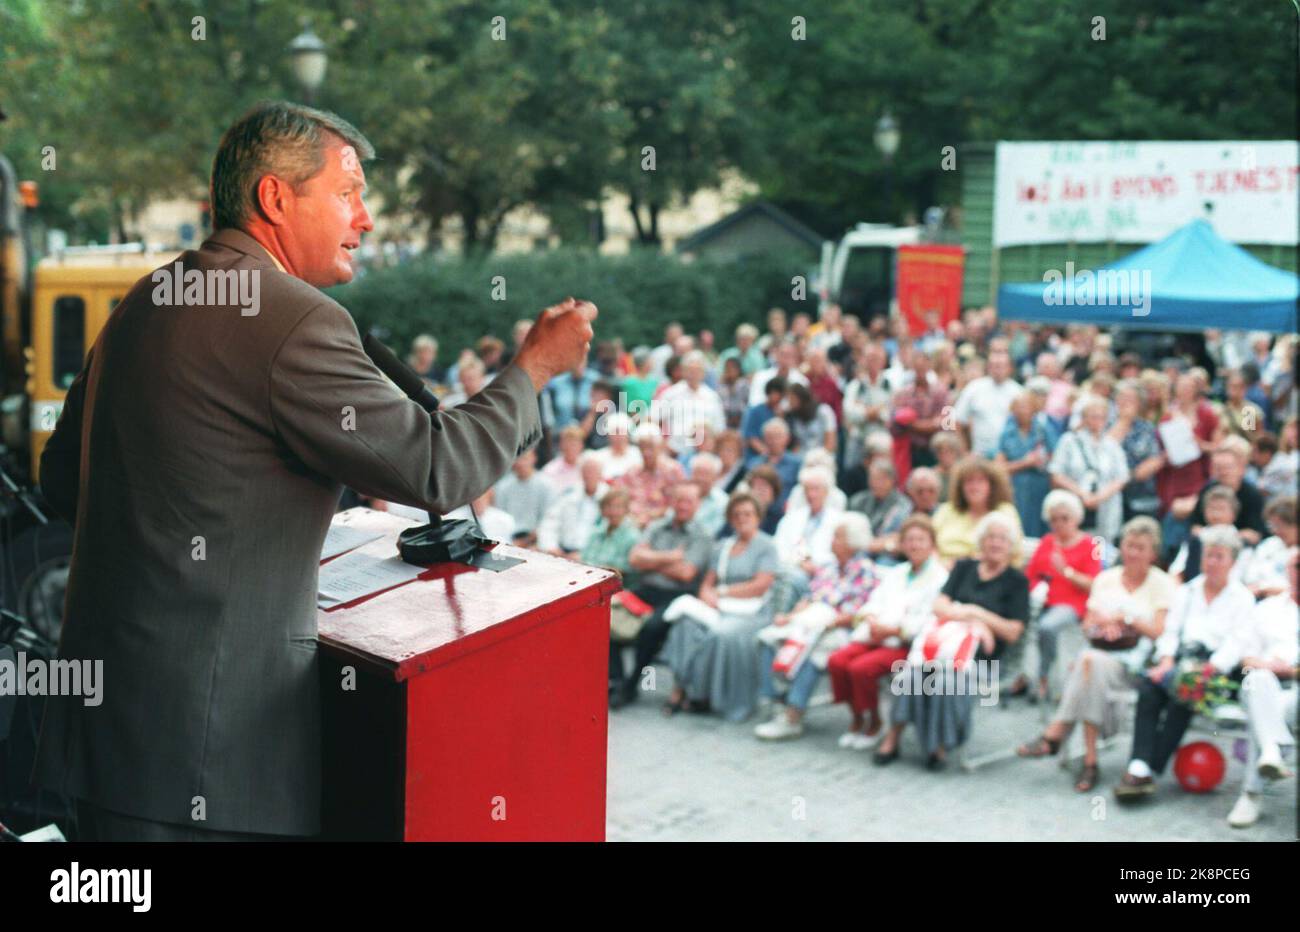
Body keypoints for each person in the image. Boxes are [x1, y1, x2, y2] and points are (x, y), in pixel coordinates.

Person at [35, 101, 593, 842]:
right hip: (213, 763)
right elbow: (438, 468)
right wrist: (533, 369)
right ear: (275, 197)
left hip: (103, 749)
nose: (364, 219)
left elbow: (60, 484)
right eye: (348, 193)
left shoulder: (149, 295)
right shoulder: (293, 318)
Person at [1017, 517, 1174, 792]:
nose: (1133, 553)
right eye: (1129, 546)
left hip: (1138, 660)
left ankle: (1058, 734)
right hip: (1101, 653)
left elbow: (1159, 631)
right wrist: (1105, 625)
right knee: (1090, 666)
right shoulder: (1106, 579)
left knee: (1086, 665)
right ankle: (1088, 759)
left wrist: (1126, 619)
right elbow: (1088, 624)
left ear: (1152, 553)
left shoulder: (1162, 583)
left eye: (1141, 547)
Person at [874, 512, 1029, 769]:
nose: (995, 543)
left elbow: (1012, 632)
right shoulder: (965, 567)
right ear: (981, 541)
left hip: (984, 660)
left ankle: (940, 745)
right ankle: (893, 737)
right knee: (910, 675)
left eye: (1002, 539)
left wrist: (975, 613)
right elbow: (939, 605)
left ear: (1010, 546)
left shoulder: (1016, 582)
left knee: (946, 681)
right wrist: (972, 621)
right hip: (942, 648)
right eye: (990, 537)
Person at [1115, 526, 1255, 802]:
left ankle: (1146, 768)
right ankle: (1141, 765)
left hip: (1216, 671)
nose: (1212, 562)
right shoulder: (1188, 591)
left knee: (1184, 694)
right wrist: (1166, 660)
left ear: (1232, 562)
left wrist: (1207, 670)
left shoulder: (1243, 598)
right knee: (1149, 688)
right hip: (1180, 660)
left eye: (1219, 557)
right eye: (1208, 556)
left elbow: (1237, 643)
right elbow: (1170, 632)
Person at [825, 515, 949, 748]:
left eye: (921, 540)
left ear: (932, 544)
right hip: (875, 634)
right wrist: (871, 618)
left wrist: (893, 630)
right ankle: (857, 717)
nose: (914, 545)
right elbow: (874, 601)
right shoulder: (897, 572)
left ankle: (875, 722)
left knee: (862, 668)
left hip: (904, 643)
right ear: (902, 544)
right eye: (909, 540)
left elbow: (928, 621)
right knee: (837, 661)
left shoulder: (940, 578)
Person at [754, 513, 878, 739]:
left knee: (816, 651)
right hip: (810, 621)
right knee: (768, 637)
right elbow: (810, 598)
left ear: (852, 543)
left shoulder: (865, 570)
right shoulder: (828, 567)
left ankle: (793, 714)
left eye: (838, 537)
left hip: (840, 628)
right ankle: (777, 700)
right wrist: (790, 616)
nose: (832, 540)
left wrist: (832, 621)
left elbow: (862, 611)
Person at [662, 492, 781, 721]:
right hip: (721, 606)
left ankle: (708, 695)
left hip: (752, 611)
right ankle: (682, 687)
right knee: (685, 624)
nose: (742, 519)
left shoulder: (766, 546)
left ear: (758, 517)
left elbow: (761, 584)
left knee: (720, 634)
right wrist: (708, 595)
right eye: (736, 515)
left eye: (747, 514)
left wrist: (723, 592)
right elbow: (708, 582)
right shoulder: (724, 546)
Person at [611, 483, 714, 706]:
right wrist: (671, 557)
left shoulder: (702, 536)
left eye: (689, 501)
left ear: (697, 505)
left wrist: (651, 561)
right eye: (679, 500)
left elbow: (686, 573)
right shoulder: (658, 527)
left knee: (651, 628)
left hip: (676, 595)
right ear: (671, 501)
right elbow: (635, 559)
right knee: (607, 615)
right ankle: (616, 680)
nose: (683, 506)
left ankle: (631, 685)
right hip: (646, 588)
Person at [1226, 547, 1298, 828]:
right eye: (1297, 566)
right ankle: (1271, 751)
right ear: (1288, 570)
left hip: (1295, 687)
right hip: (1266, 685)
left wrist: (1291, 670)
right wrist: (1267, 666)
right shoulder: (1268, 609)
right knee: (1257, 682)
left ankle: (1252, 792)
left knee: (1269, 712)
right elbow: (1246, 658)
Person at [1010, 491, 1102, 703]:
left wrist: (1066, 571)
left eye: (1065, 518)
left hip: (1072, 603)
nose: (1059, 524)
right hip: (1041, 600)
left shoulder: (1092, 544)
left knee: (1047, 627)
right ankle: (1022, 675)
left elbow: (1094, 584)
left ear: (1076, 518)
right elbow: (1030, 575)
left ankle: (1044, 674)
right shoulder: (1047, 541)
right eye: (1054, 519)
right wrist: (1037, 588)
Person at [931, 455, 1022, 566]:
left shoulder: (1005, 511)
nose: (974, 486)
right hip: (943, 572)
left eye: (981, 481)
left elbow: (1014, 551)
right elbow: (929, 543)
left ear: (992, 485)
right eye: (969, 481)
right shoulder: (946, 510)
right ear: (960, 486)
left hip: (989, 572)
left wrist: (965, 566)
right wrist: (939, 566)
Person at [996, 391, 1053, 539]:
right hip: (1015, 487)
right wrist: (1025, 463)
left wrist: (1041, 461)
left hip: (1040, 487)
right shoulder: (1006, 433)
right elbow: (999, 468)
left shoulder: (1043, 430)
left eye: (1026, 406)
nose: (1022, 411)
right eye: (1018, 407)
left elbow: (1054, 458)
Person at [1108, 379, 1164, 522]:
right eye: (1122, 397)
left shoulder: (1147, 428)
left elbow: (1154, 459)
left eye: (1131, 398)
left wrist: (1131, 476)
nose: (1126, 402)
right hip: (1108, 493)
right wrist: (1123, 421)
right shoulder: (1105, 424)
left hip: (1140, 495)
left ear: (1139, 403)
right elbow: (1106, 450)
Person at [535, 452, 607, 558]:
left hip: (592, 556)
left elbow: (608, 534)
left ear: (601, 474)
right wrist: (551, 547)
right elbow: (550, 522)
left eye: (594, 472)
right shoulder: (569, 495)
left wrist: (585, 555)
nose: (590, 475)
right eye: (587, 471)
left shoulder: (608, 497)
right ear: (581, 473)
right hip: (562, 552)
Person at [953, 349, 1021, 458]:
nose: (998, 369)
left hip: (1009, 457)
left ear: (1010, 368)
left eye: (1001, 366)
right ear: (988, 367)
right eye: (994, 365)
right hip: (979, 455)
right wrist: (964, 452)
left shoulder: (1018, 392)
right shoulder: (974, 388)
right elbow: (956, 421)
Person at [617, 424, 686, 527]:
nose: (646, 452)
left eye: (650, 447)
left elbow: (677, 503)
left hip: (660, 524)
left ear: (660, 446)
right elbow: (620, 498)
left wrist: (649, 517)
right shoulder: (632, 472)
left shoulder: (673, 471)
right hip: (630, 522)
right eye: (642, 447)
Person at [848, 460, 913, 563]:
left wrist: (872, 544)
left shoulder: (903, 504)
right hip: (857, 549)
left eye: (881, 479)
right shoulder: (858, 501)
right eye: (873, 479)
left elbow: (897, 537)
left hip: (886, 555)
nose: (876, 483)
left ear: (892, 480)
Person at [493, 448, 554, 547]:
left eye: (525, 458)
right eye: (518, 458)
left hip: (537, 540)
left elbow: (548, 519)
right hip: (509, 539)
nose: (521, 463)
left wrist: (529, 540)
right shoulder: (503, 486)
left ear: (534, 458)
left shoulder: (546, 485)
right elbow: (499, 517)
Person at [1240, 495, 1298, 598]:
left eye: (1280, 525)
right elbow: (1250, 575)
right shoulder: (1268, 544)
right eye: (1272, 525)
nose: (1275, 530)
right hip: (1259, 599)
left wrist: (1269, 589)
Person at [579, 487, 639, 574]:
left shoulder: (633, 536)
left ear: (626, 510)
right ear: (602, 510)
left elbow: (624, 570)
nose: (613, 511)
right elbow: (584, 558)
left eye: (618, 507)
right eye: (609, 506)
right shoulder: (595, 532)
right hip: (588, 576)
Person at [785, 382, 837, 454]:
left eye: (792, 399)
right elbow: (795, 445)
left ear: (801, 398)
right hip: (801, 457)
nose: (790, 402)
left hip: (821, 456)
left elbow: (830, 444)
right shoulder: (792, 416)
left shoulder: (824, 411)